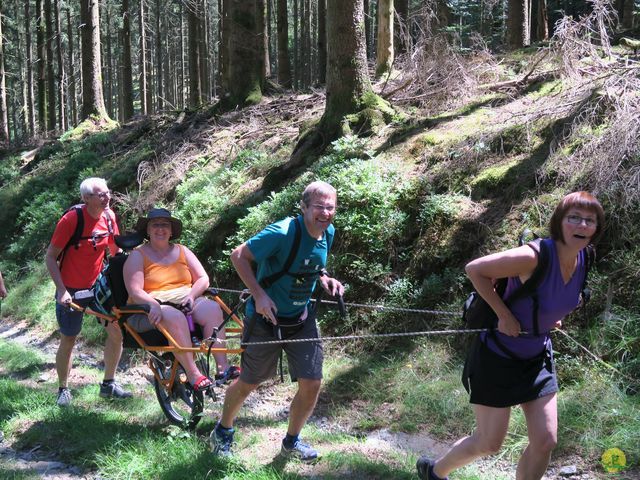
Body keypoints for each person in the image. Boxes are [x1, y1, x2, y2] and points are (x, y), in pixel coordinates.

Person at [416, 191, 605, 480]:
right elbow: (475, 270)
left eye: (589, 220)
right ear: (559, 222)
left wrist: (549, 318)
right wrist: (504, 315)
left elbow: (563, 296)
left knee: (545, 441)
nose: (582, 225)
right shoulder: (534, 255)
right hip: (497, 355)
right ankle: (435, 471)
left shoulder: (584, 258)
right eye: (574, 218)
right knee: (489, 443)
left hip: (537, 356)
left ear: (596, 227)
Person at [211, 181, 345, 461]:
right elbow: (239, 256)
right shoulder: (282, 232)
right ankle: (223, 430)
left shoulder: (327, 232)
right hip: (265, 321)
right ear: (304, 207)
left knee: (312, 382)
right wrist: (259, 295)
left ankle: (292, 442)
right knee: (249, 381)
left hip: (301, 319)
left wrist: (325, 278)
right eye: (319, 206)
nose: (325, 212)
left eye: (330, 207)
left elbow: (312, 263)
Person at [123, 208, 237, 391]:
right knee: (175, 317)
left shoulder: (182, 250)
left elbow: (203, 279)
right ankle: (194, 374)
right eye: (155, 225)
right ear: (148, 230)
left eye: (165, 225)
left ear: (171, 230)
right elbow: (135, 290)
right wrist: (153, 305)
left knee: (213, 309)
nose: (160, 229)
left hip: (185, 300)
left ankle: (222, 368)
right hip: (148, 309)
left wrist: (192, 296)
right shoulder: (138, 255)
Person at [45, 177, 132, 407]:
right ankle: (63, 388)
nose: (107, 198)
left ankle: (109, 384)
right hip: (71, 289)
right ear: (86, 198)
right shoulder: (72, 219)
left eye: (108, 193)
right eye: (101, 195)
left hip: (98, 286)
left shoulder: (109, 217)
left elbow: (115, 252)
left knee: (116, 330)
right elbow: (51, 257)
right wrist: (61, 290)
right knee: (69, 338)